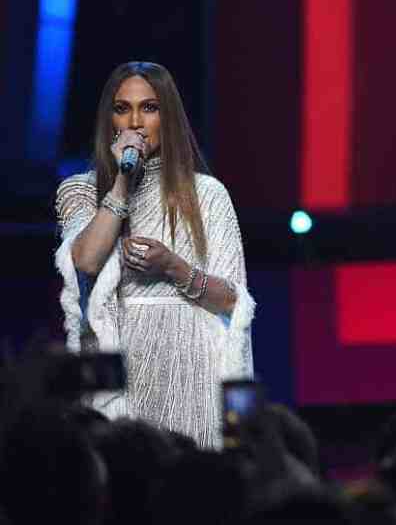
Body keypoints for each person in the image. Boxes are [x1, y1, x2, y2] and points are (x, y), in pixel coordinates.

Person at [54, 61, 255, 448]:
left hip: (192, 374)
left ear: (169, 116)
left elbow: (233, 300)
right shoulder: (79, 190)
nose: (134, 121)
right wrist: (121, 183)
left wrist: (174, 267)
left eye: (149, 108)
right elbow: (87, 260)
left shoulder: (207, 194)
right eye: (121, 108)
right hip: (118, 374)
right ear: (108, 120)